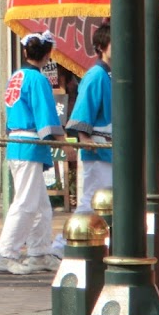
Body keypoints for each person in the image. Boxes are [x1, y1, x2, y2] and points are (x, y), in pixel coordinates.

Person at [0, 31, 68, 275]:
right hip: (29, 142)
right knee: (25, 203)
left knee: (41, 205)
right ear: (48, 55)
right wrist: (61, 140)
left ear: (25, 52)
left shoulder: (16, 76)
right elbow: (45, 113)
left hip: (17, 140)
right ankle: (5, 253)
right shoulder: (38, 79)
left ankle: (39, 253)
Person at [65, 22, 113, 214]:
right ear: (101, 47)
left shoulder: (111, 74)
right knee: (93, 202)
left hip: (110, 151)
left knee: (105, 203)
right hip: (98, 150)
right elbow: (83, 108)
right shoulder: (96, 75)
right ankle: (68, 242)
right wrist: (84, 137)